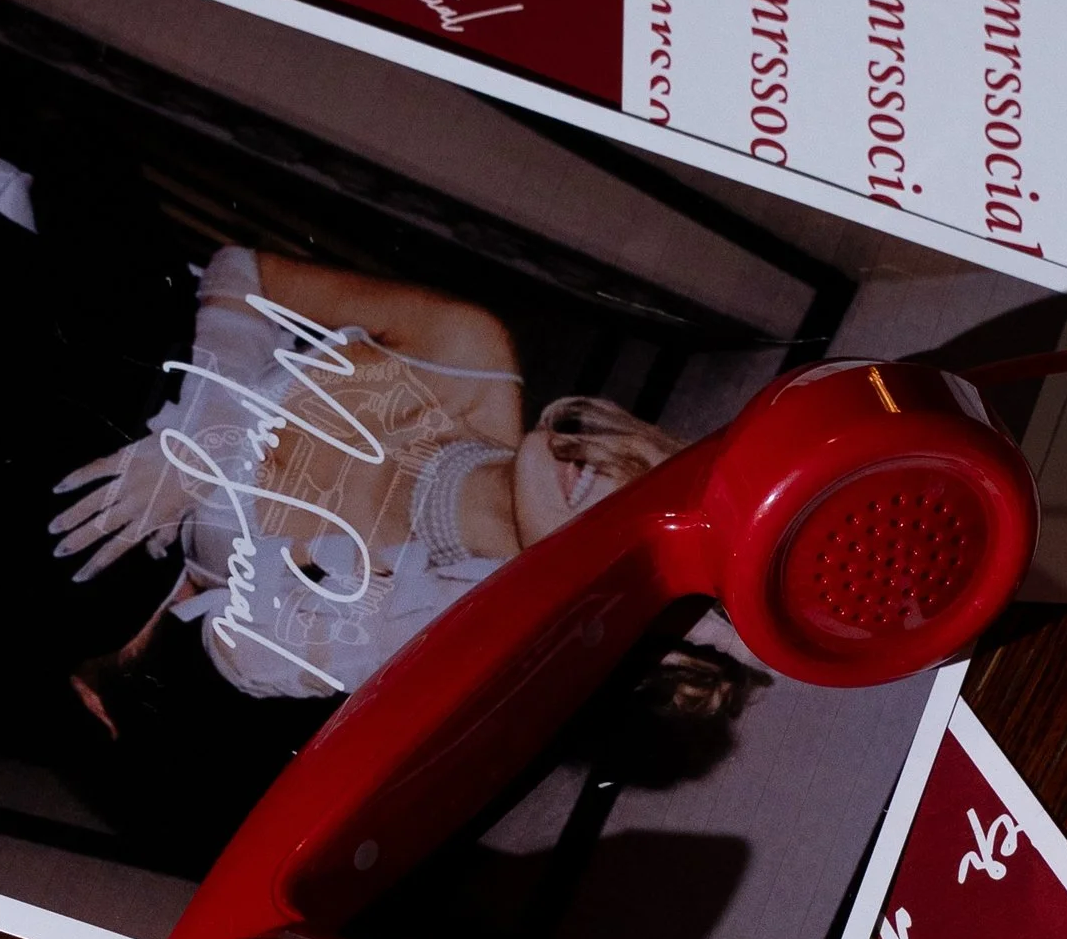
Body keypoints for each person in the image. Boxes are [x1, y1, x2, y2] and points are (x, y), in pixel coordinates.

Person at [51, 247, 679, 717]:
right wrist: (206, 420)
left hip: (61, 467)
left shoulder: (377, 629)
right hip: (122, 321)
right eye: (646, 478)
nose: (609, 476)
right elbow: (242, 267)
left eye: (619, 532)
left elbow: (195, 618)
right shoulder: (470, 352)